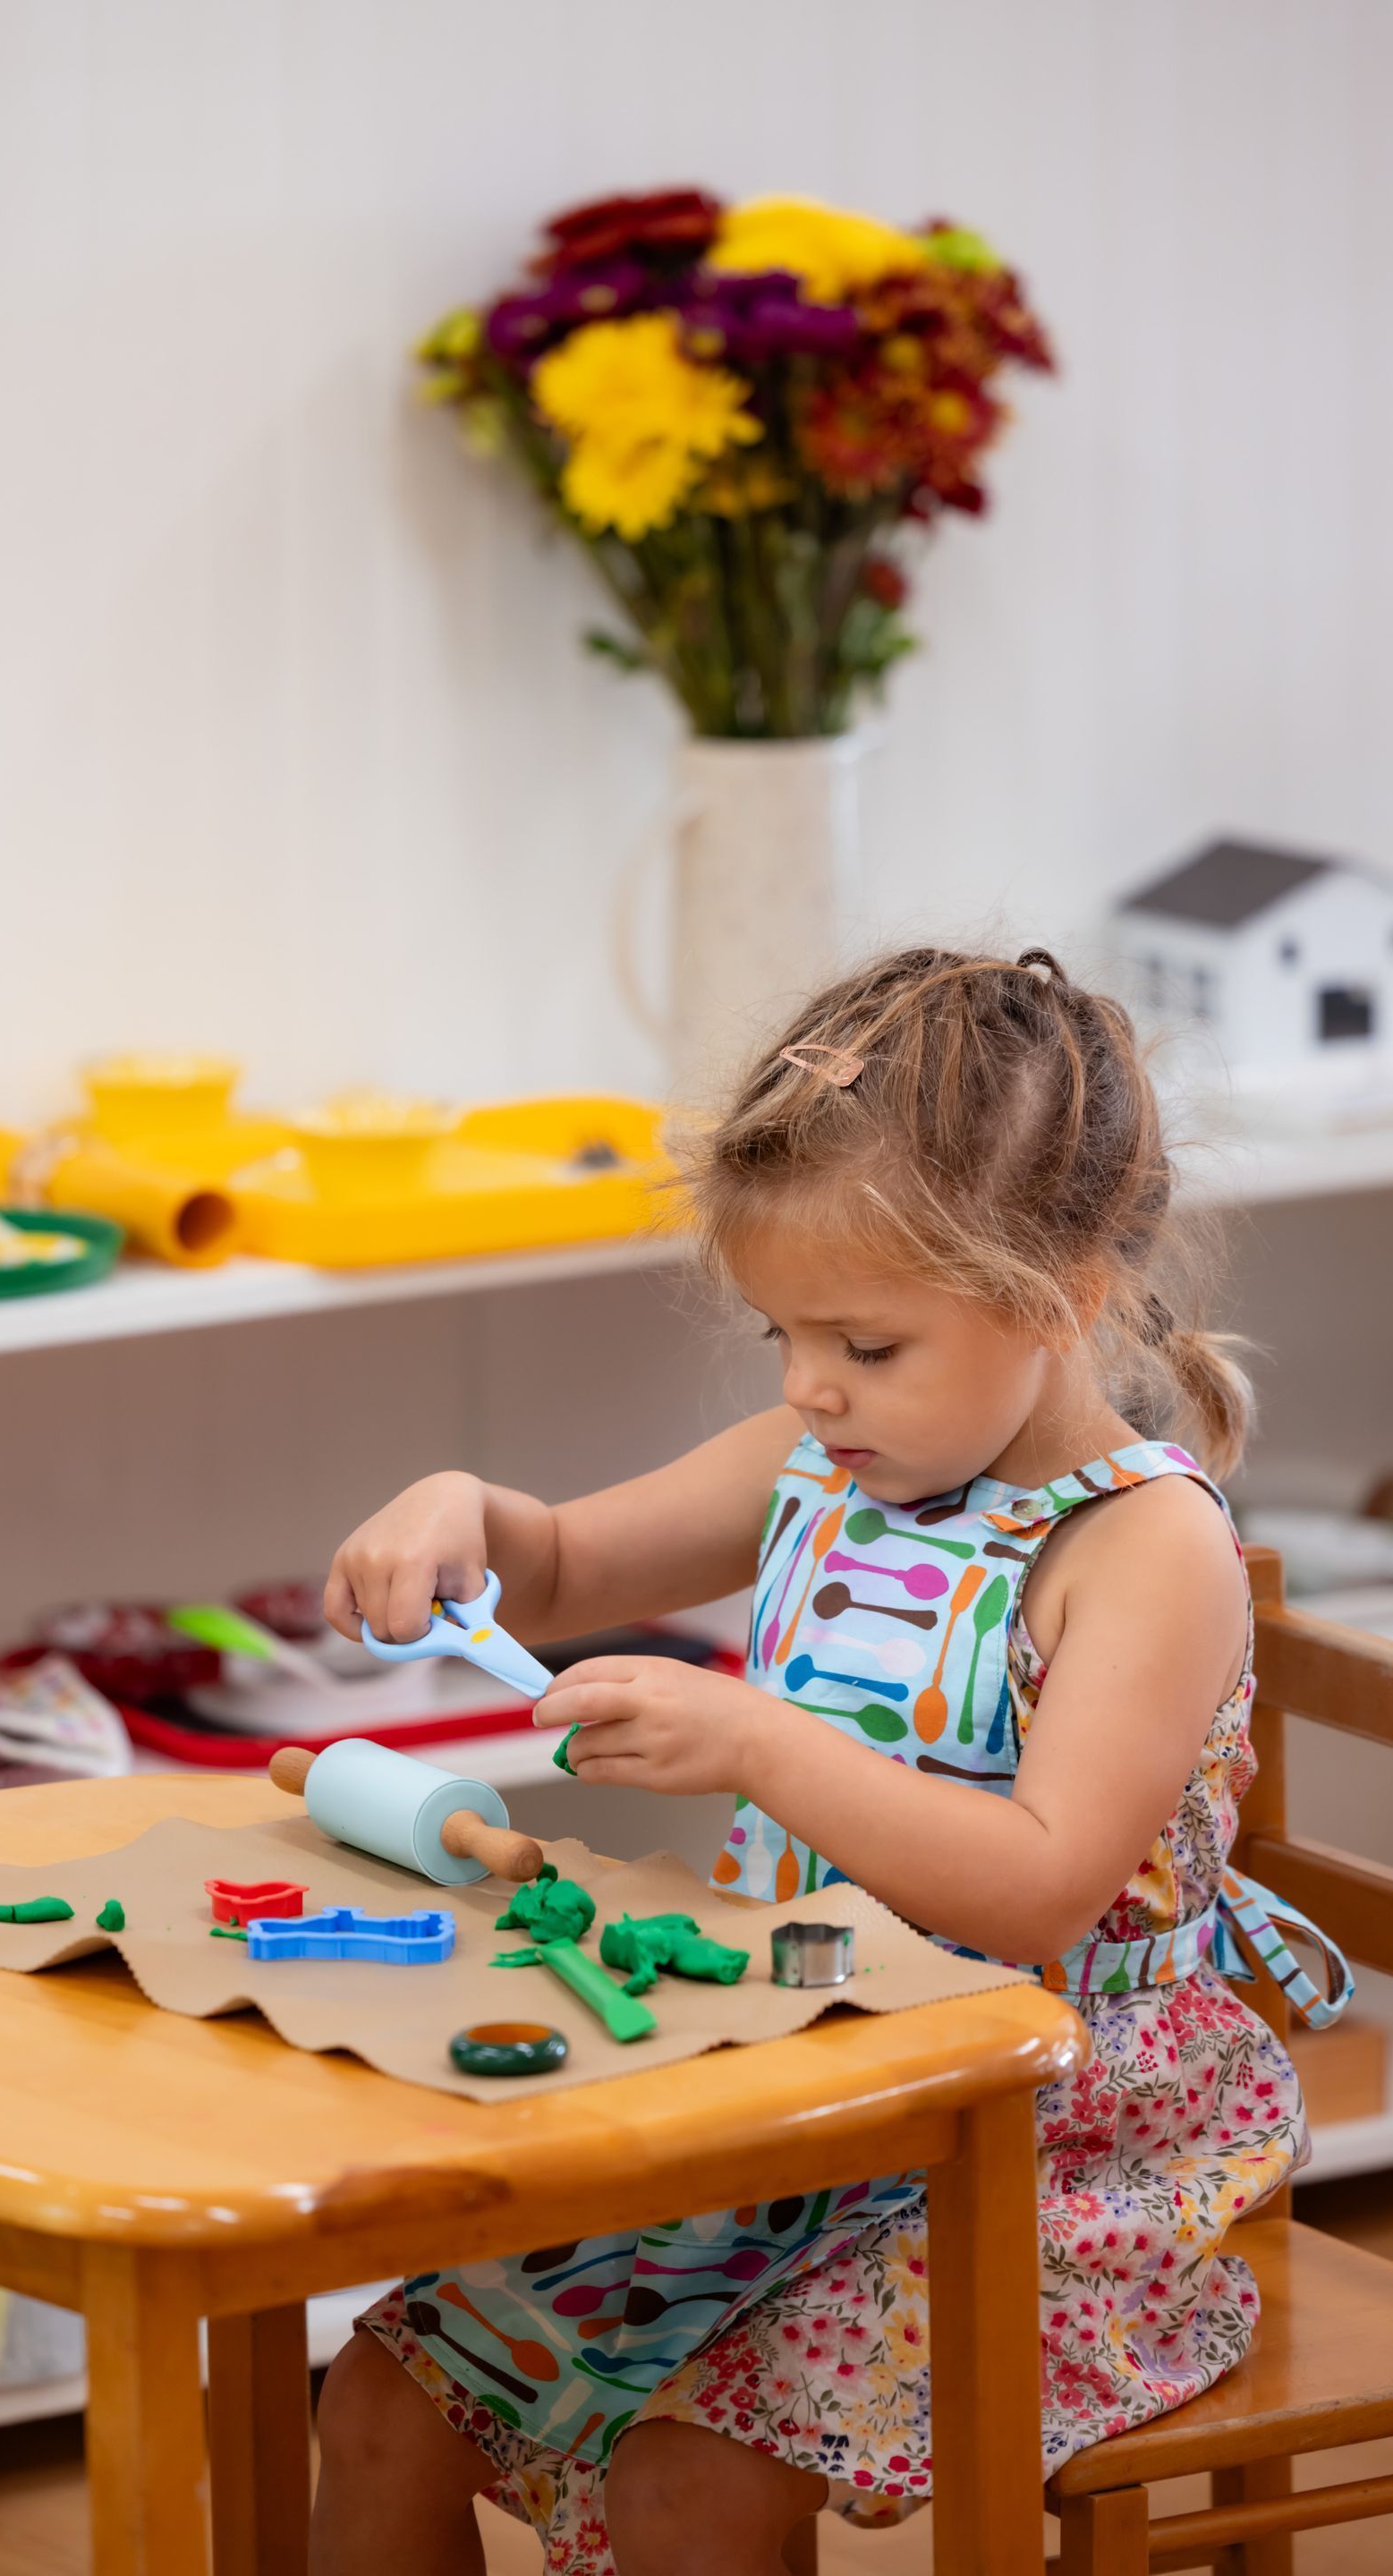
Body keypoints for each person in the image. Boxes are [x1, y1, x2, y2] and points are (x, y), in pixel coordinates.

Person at [310, 947, 1350, 2576]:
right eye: (784, 1332)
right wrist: (461, 1507)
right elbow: (566, 1561)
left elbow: (1037, 1889)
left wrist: (756, 1741)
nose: (809, 1388)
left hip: (1057, 2155)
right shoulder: (818, 1464)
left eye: (865, 1347)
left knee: (686, 2478)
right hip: (807, 2096)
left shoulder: (1145, 1551)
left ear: (1060, 1299)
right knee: (379, 2396)